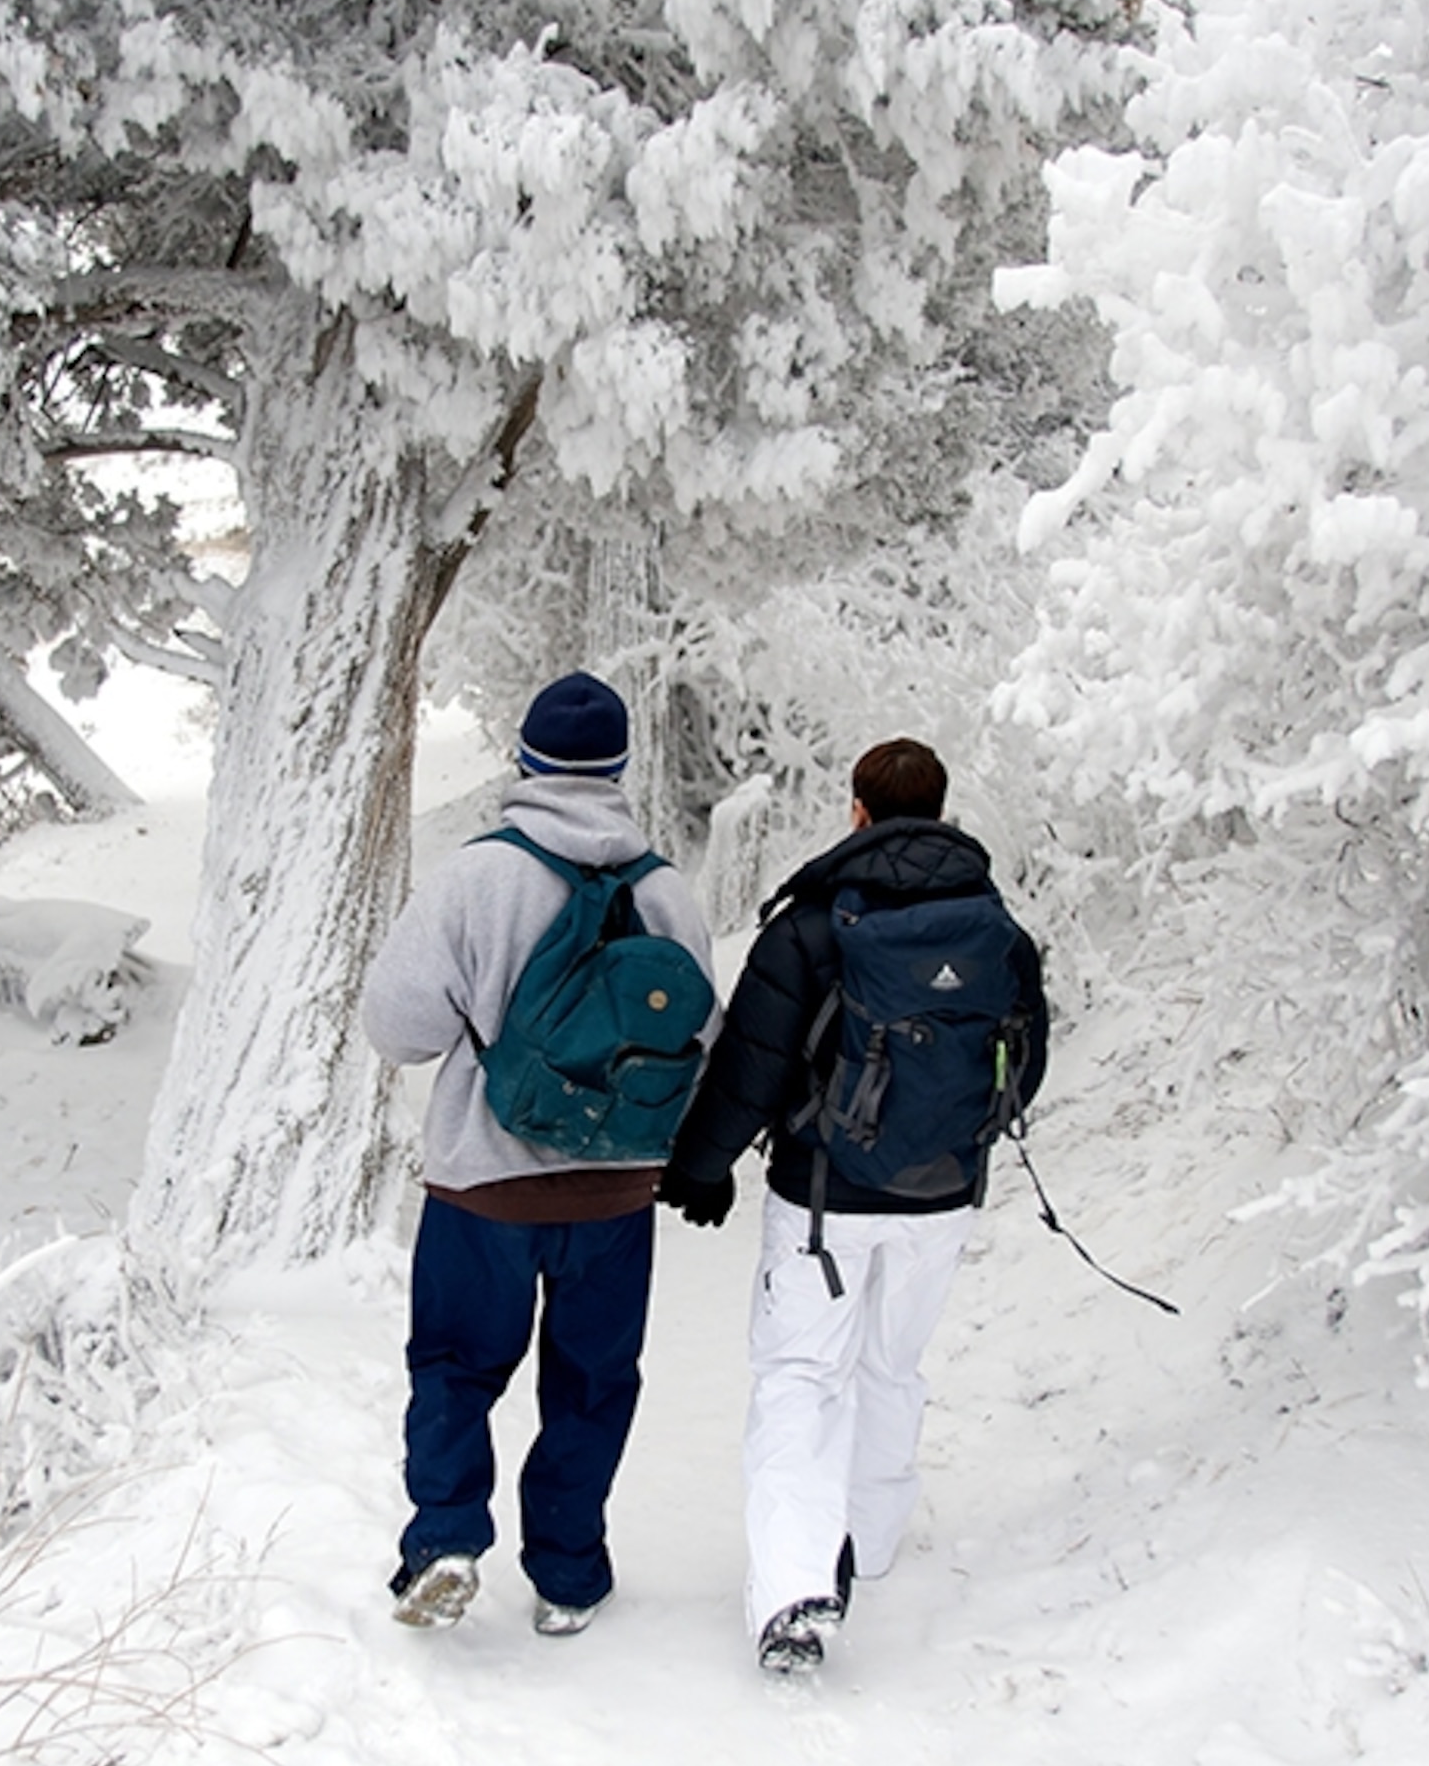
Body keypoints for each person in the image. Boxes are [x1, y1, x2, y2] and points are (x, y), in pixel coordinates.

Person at [660, 738, 1049, 1674]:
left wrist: (701, 1167)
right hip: (943, 1198)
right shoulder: (995, 927)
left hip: (825, 1201)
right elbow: (1024, 1061)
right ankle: (869, 1545)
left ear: (857, 810)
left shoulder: (812, 926)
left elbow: (750, 1063)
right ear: (944, 809)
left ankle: (796, 1588)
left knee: (801, 1374)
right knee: (892, 1366)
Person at [360, 671, 718, 1638]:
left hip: (485, 1189)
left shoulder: (478, 875)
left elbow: (395, 1027)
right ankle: (566, 1573)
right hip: (615, 1194)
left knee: (454, 1364)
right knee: (594, 1379)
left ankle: (443, 1540)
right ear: (618, 771)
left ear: (524, 763)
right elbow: (700, 1031)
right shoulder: (666, 889)